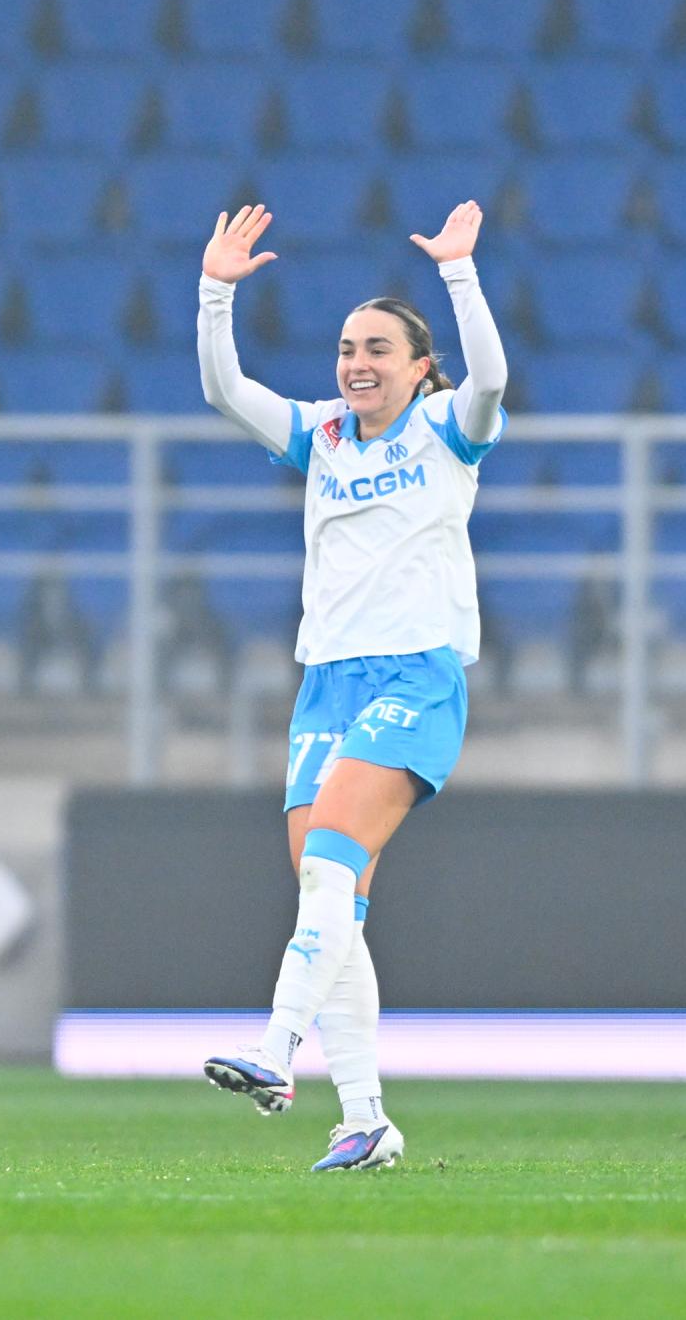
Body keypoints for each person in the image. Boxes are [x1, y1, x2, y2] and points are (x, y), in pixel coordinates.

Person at [194, 202, 508, 1170]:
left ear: (419, 365)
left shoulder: (449, 431)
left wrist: (458, 274)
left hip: (414, 675)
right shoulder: (322, 433)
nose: (354, 362)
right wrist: (215, 293)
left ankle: (275, 1051)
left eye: (376, 347)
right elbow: (224, 392)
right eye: (343, 348)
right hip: (324, 685)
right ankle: (365, 1119)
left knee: (328, 860)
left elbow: (491, 376)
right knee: (332, 899)